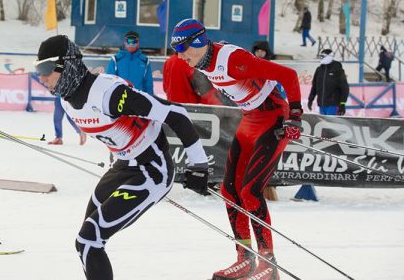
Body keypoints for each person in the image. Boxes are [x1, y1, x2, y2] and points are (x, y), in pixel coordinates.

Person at [35, 35, 209, 280]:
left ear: (66, 66)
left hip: (153, 170)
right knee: (85, 244)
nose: (41, 78)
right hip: (124, 166)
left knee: (89, 239)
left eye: (45, 69)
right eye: (38, 70)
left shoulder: (108, 94)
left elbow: (176, 114)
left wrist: (199, 164)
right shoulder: (66, 100)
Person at [171, 18, 303, 280]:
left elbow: (288, 76)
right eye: (177, 50)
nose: (181, 56)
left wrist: (295, 117)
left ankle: (269, 265)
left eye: (184, 49)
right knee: (229, 190)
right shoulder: (203, 61)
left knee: (250, 192)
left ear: (198, 41)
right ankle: (245, 259)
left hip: (273, 117)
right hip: (251, 119)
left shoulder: (232, 60)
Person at [163, 53, 234, 106]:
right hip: (192, 111)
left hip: (173, 107)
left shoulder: (168, 62)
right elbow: (205, 90)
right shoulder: (191, 63)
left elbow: (165, 88)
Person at [307, 49, 349, 116]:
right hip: (322, 104)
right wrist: (310, 100)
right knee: (324, 125)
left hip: (333, 104)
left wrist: (342, 103)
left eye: (323, 56)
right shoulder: (319, 70)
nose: (321, 58)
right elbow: (314, 86)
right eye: (320, 56)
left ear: (330, 56)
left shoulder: (337, 69)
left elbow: (345, 88)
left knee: (331, 124)